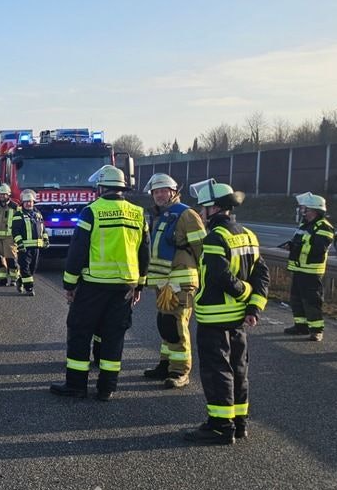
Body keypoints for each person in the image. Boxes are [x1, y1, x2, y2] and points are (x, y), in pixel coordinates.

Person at [50, 165, 149, 401]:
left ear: (102, 187)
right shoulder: (138, 213)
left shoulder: (91, 211)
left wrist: (69, 285)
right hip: (125, 286)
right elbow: (144, 252)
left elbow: (78, 250)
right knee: (114, 336)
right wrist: (140, 285)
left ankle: (76, 386)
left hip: (94, 284)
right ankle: (107, 388)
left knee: (80, 332)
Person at [184, 178, 269, 445]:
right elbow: (262, 275)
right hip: (238, 319)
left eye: (203, 208)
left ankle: (220, 426)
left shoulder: (215, 237)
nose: (201, 213)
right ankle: (239, 422)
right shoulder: (248, 234)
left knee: (217, 371)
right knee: (238, 368)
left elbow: (220, 276)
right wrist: (253, 306)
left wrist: (243, 294)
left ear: (215, 208)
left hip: (215, 317)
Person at [141, 173, 207, 389]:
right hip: (164, 282)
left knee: (177, 326)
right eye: (156, 192)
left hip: (181, 281)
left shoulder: (186, 214)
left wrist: (204, 280)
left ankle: (180, 372)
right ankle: (166, 365)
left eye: (163, 191)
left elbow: (202, 250)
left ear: (173, 192)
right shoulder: (161, 215)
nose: (159, 195)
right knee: (165, 324)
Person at [283, 192, 333, 342]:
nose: (302, 211)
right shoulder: (305, 224)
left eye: (305, 208)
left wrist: (297, 247)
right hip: (299, 269)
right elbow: (300, 241)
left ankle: (316, 330)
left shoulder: (324, 227)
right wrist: (292, 245)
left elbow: (317, 249)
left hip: (311, 271)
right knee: (296, 299)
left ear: (315, 210)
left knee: (311, 301)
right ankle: (301, 326)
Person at [11, 189, 47, 295]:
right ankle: (29, 288)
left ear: (33, 202)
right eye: (26, 202)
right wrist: (20, 244)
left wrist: (46, 239)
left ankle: (20, 281)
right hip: (24, 248)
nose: (28, 204)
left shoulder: (38, 214)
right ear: (22, 203)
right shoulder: (18, 215)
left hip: (36, 247)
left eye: (30, 202)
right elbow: (15, 231)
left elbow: (43, 229)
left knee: (32, 269)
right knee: (25, 268)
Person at [0, 184, 19, 286]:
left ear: (8, 195)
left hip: (10, 238)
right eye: (0, 194)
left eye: (4, 194)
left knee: (11, 259)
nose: (2, 196)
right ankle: (2, 280)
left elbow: (18, 223)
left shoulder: (15, 207)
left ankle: (14, 279)